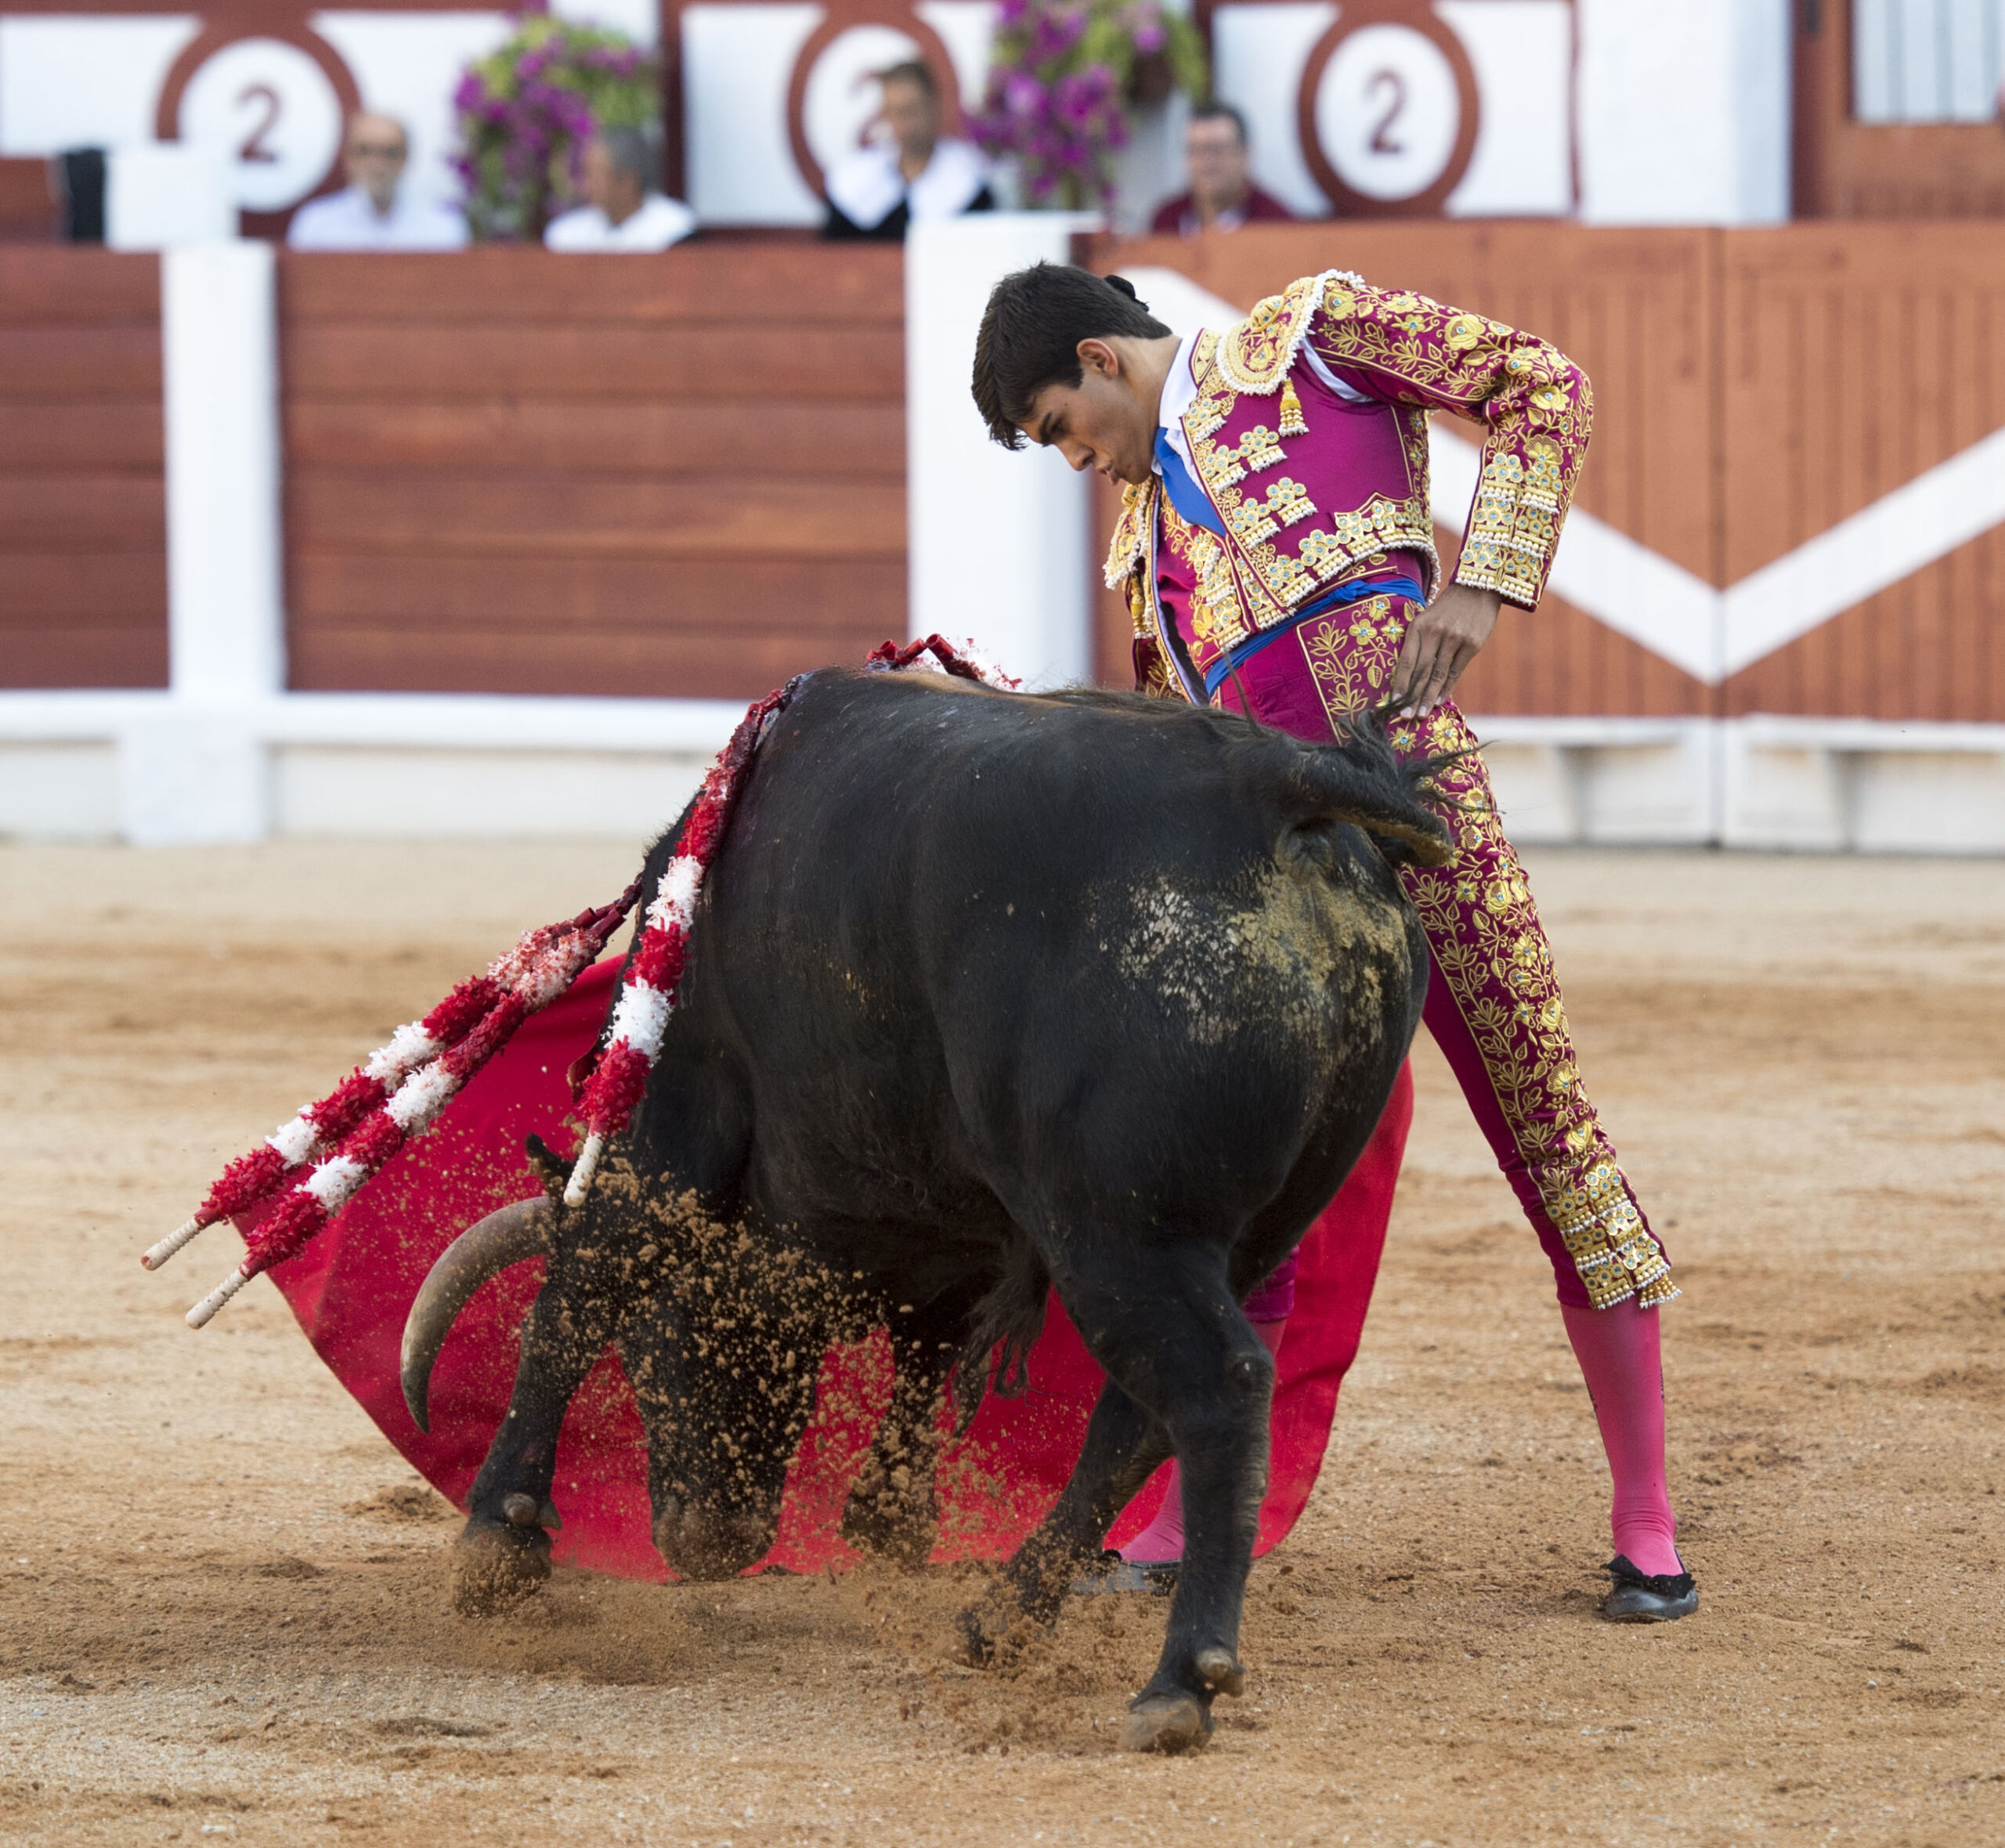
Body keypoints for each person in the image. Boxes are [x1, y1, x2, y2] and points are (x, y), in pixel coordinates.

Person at [972, 263, 1697, 1623]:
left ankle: (1647, 1520)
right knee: (1242, 1192)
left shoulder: (1313, 337)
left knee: (1549, 1133)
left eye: (1065, 427)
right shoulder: (1142, 543)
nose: (1079, 462)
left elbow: (1545, 388)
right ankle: (1201, 1505)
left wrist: (1485, 582)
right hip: (1282, 874)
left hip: (1424, 813)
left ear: (1101, 359)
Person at [822, 60, 993, 240]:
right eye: (894, 112)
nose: (903, 124)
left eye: (911, 111)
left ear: (934, 107)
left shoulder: (967, 183)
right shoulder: (854, 182)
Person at [288, 112, 468, 251]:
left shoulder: (443, 228)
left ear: (405, 159)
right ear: (348, 158)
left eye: (389, 153)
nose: (377, 165)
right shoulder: (316, 226)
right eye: (365, 151)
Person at [1148, 102, 1293, 237]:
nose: (1207, 162)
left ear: (1245, 154)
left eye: (1217, 150)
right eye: (1196, 150)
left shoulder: (1276, 222)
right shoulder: (1165, 221)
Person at [544, 126, 695, 253]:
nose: (586, 186)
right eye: (585, 173)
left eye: (594, 175)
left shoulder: (675, 232)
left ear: (628, 182)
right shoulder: (566, 234)